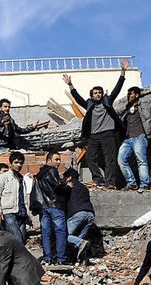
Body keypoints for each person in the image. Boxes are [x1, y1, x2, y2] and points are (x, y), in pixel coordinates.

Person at [62, 59, 128, 189]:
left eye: (100, 92)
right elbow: (78, 99)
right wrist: (71, 85)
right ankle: (99, 179)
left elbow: (117, 89)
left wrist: (123, 72)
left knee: (110, 159)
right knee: (90, 157)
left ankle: (110, 183)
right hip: (94, 136)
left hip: (108, 134)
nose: (98, 94)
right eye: (95, 93)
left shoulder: (107, 101)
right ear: (92, 95)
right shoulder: (89, 104)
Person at [117, 83, 151, 191]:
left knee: (141, 160)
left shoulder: (145, 104)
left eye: (131, 94)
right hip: (127, 139)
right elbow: (116, 114)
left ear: (137, 95)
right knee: (121, 159)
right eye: (128, 94)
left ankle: (144, 184)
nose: (128, 96)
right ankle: (131, 183)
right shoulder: (126, 108)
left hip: (140, 137)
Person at [31, 152, 69, 264]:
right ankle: (61, 258)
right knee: (60, 232)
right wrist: (67, 185)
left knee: (46, 233)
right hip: (55, 206)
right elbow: (57, 184)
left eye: (59, 160)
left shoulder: (39, 174)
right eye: (56, 159)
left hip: (43, 207)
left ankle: (47, 257)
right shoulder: (52, 171)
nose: (58, 162)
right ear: (48, 161)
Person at [0, 152, 31, 244]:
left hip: (21, 213)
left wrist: (28, 216)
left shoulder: (21, 179)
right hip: (9, 213)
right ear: (10, 164)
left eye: (21, 163)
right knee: (18, 241)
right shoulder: (3, 177)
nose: (19, 165)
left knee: (21, 240)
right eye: (16, 162)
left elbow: (24, 198)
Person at [64, 168, 96, 262]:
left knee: (63, 236)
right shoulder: (84, 187)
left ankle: (81, 243)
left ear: (69, 177)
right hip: (90, 214)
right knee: (77, 240)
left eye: (65, 178)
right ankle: (83, 260)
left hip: (77, 213)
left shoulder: (69, 185)